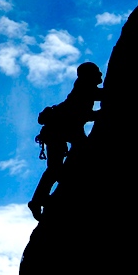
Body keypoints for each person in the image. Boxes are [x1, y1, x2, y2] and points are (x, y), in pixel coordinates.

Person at [28, 62, 103, 221]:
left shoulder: (83, 89)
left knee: (58, 168)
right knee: (56, 168)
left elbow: (84, 113)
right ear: (88, 75)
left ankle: (40, 200)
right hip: (59, 131)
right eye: (97, 72)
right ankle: (37, 201)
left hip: (63, 130)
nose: (101, 74)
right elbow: (96, 102)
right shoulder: (84, 88)